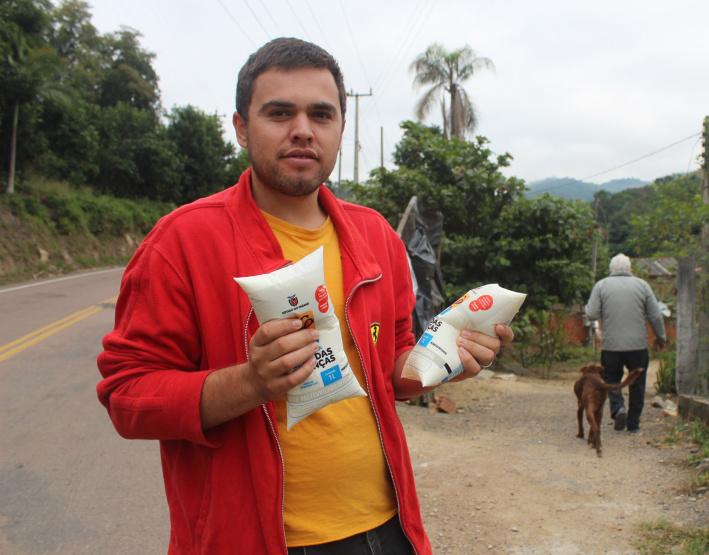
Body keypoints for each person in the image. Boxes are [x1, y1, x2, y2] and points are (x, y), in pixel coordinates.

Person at [96, 38, 513, 555]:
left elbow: (392, 369)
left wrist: (449, 356)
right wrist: (251, 382)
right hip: (252, 541)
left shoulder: (376, 237)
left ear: (340, 127)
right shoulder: (182, 242)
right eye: (279, 113)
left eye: (321, 114)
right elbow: (128, 396)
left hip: (388, 530)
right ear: (241, 127)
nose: (302, 130)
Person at [584, 253, 665, 435]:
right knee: (638, 383)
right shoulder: (643, 285)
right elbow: (655, 315)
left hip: (611, 347)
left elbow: (591, 314)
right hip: (638, 346)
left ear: (611, 270)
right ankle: (634, 423)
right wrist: (661, 338)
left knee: (611, 380)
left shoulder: (602, 285)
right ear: (630, 269)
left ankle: (618, 409)